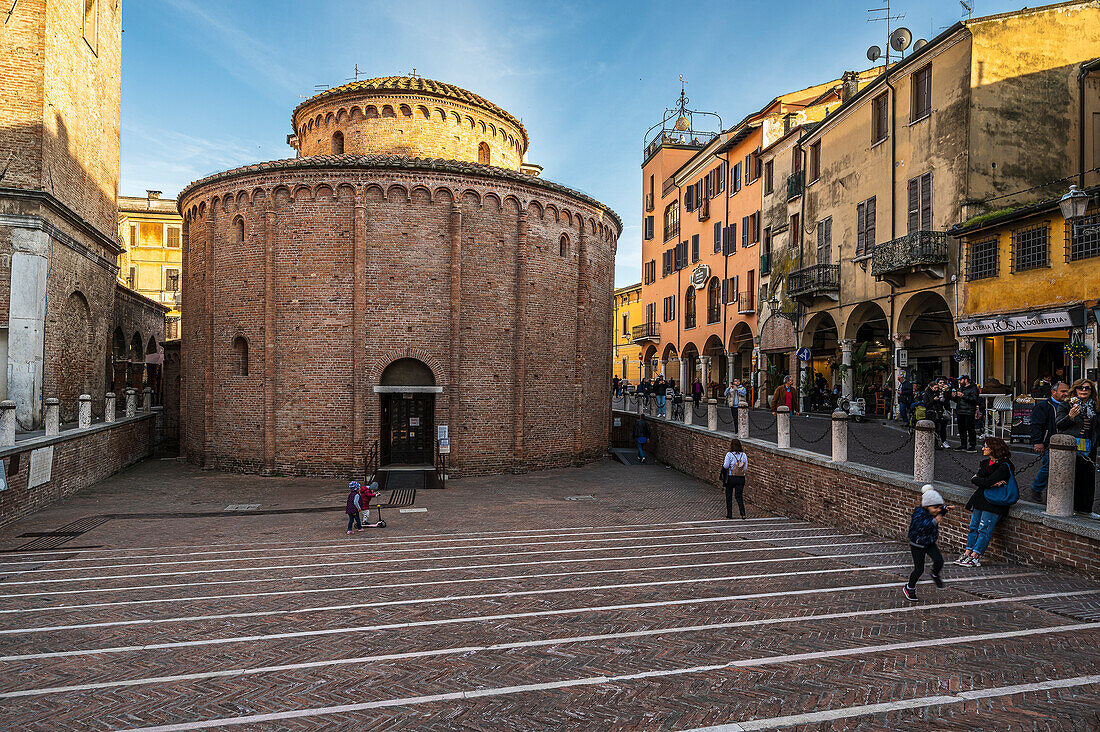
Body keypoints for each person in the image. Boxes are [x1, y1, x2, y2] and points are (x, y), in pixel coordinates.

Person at [956, 437, 1015, 567]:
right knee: (973, 527)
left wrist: (983, 481)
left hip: (994, 502)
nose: (983, 448)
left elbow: (984, 481)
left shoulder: (1005, 466)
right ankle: (967, 552)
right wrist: (986, 482)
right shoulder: (985, 463)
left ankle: (975, 556)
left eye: (986, 446)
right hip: (980, 499)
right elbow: (980, 480)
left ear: (994, 449)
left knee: (984, 529)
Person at [1056, 378, 1099, 517]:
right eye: (1081, 388)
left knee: (1088, 477)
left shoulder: (1096, 407)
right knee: (1072, 476)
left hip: (1088, 446)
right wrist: (1070, 417)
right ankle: (1070, 507)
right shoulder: (1066, 405)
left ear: (1091, 391)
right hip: (1071, 446)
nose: (1084, 390)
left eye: (1087, 388)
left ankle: (1085, 509)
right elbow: (1059, 425)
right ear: (1075, 390)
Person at [904, 484, 950, 600]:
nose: (937, 511)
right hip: (917, 544)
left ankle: (935, 574)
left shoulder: (932, 511)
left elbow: (938, 512)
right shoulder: (919, 514)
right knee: (919, 569)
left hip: (929, 542)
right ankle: (909, 588)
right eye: (935, 508)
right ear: (926, 506)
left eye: (939, 507)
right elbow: (921, 527)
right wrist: (934, 522)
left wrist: (944, 510)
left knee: (939, 560)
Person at [1029, 380, 1069, 503]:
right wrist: (1038, 442)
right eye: (1063, 391)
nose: (1066, 394)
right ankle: (1037, 489)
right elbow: (1036, 425)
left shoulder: (1069, 405)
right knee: (1048, 466)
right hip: (1049, 442)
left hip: (1065, 442)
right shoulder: (1043, 406)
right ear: (1053, 392)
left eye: (1067, 391)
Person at [722, 438, 748, 519]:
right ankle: (743, 513)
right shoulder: (744, 455)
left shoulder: (729, 454)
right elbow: (745, 467)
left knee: (729, 495)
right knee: (739, 496)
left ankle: (729, 514)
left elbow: (726, 466)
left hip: (731, 477)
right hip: (741, 477)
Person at [953, 375, 980, 452]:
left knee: (970, 429)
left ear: (966, 380)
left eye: (960, 380)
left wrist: (963, 396)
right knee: (961, 429)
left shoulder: (974, 388)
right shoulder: (961, 388)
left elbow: (974, 399)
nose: (959, 381)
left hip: (969, 411)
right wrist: (954, 397)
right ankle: (963, 445)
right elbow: (958, 400)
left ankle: (972, 445)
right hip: (960, 410)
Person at [922, 378, 950, 449]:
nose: (936, 389)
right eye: (935, 387)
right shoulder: (927, 394)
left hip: (939, 412)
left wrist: (943, 399)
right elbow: (926, 404)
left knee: (940, 428)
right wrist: (933, 400)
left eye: (937, 388)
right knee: (934, 428)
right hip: (931, 413)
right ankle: (933, 444)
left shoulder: (939, 392)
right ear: (931, 387)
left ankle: (939, 443)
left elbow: (944, 402)